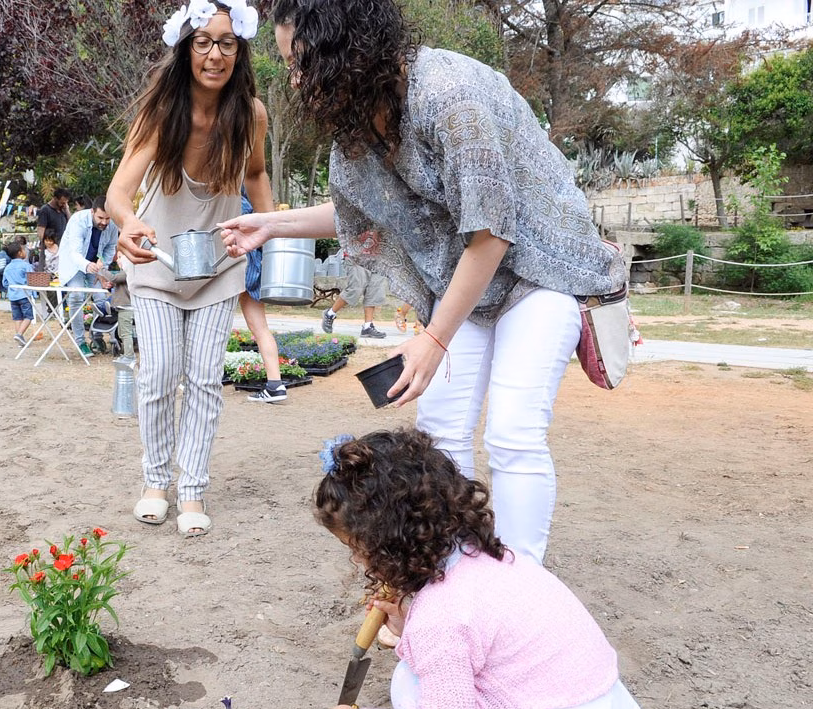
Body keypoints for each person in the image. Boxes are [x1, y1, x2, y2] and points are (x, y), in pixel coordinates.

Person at [219, 0, 625, 562]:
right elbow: (365, 210)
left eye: (300, 61)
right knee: (439, 432)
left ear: (344, 49)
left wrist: (434, 339)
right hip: (470, 280)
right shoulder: (361, 122)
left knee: (511, 432)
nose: (294, 79)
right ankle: (451, 579)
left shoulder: (449, 96)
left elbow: (493, 231)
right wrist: (272, 224)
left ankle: (521, 588)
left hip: (541, 270)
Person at [314, 429, 641, 709]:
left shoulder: (441, 613)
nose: (360, 561)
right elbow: (474, 644)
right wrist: (408, 627)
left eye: (359, 548)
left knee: (409, 685)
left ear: (392, 542)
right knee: (423, 675)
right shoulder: (485, 555)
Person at [107, 0, 270, 537]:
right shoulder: (162, 113)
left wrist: (269, 228)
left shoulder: (251, 114)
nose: (215, 54)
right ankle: (156, 482)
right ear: (185, 49)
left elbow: (257, 175)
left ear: (239, 50)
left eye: (226, 43)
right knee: (158, 374)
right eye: (203, 42)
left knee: (204, 380)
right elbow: (118, 194)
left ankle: (193, 489)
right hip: (156, 262)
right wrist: (128, 223)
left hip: (218, 265)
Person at [239, 195, 288, 403]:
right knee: (261, 329)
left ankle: (197, 382)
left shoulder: (227, 199)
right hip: (252, 266)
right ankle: (275, 385)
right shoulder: (250, 204)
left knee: (210, 325)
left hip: (230, 263)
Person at [58, 196, 119, 357]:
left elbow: (110, 248)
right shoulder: (78, 221)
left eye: (107, 218)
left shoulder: (111, 225)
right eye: (100, 218)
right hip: (74, 264)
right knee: (77, 296)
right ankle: (80, 342)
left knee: (101, 298)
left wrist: (102, 266)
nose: (104, 222)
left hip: (95, 266)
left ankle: (97, 337)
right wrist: (87, 265)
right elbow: (75, 252)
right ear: (92, 212)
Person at [320, 250, 389, 339]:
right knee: (355, 290)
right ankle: (329, 314)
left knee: (374, 291)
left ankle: (367, 327)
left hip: (377, 259)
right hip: (356, 257)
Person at [1, 241, 35, 345]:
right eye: (24, 250)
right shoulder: (25, 266)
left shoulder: (7, 267)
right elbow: (32, 279)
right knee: (28, 317)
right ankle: (19, 334)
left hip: (13, 296)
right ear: (20, 253)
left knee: (17, 318)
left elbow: (5, 283)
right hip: (24, 295)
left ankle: (20, 339)